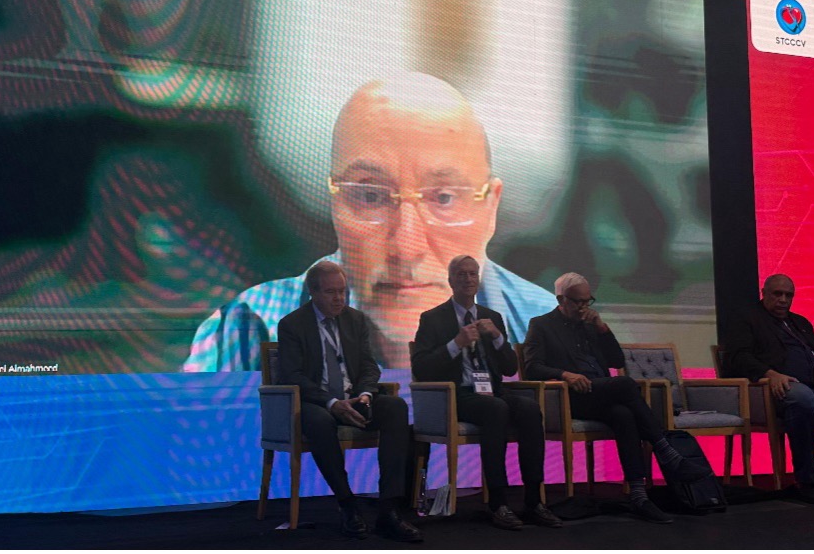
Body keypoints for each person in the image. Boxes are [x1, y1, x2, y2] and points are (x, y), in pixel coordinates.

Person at [185, 73, 556, 372]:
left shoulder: (548, 330)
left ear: (491, 208)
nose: (406, 248)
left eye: (444, 198)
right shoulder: (248, 329)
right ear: (334, 204)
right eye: (370, 196)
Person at [521, 272, 712, 524]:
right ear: (561, 299)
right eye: (578, 302)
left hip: (602, 392)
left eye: (588, 301)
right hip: (571, 396)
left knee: (624, 414)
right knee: (625, 383)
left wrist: (602, 329)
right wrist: (565, 375)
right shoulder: (541, 324)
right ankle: (667, 452)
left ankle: (639, 495)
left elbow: (616, 360)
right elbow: (532, 367)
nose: (584, 307)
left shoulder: (591, 326)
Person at [411, 255, 562, 531]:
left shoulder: (492, 317)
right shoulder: (433, 318)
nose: (468, 279)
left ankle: (534, 500)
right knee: (496, 409)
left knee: (529, 408)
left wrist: (497, 337)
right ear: (450, 280)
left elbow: (509, 368)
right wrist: (456, 343)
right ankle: (498, 502)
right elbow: (421, 367)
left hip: (492, 391)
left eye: (472, 274)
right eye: (461, 274)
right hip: (457, 395)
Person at [275, 260, 421, 542]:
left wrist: (365, 394)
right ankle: (347, 504)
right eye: (331, 292)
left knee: (395, 406)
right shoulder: (292, 324)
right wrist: (332, 402)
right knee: (318, 421)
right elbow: (291, 376)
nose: (339, 298)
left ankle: (388, 510)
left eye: (342, 291)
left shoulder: (356, 320)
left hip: (354, 397)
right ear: (313, 293)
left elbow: (369, 366)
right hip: (317, 403)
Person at [722, 274, 814, 504]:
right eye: (777, 294)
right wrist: (770, 374)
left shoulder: (800, 323)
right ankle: (806, 480)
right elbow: (737, 357)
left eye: (788, 295)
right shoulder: (747, 319)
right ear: (764, 293)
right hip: (776, 389)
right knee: (802, 398)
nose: (783, 300)